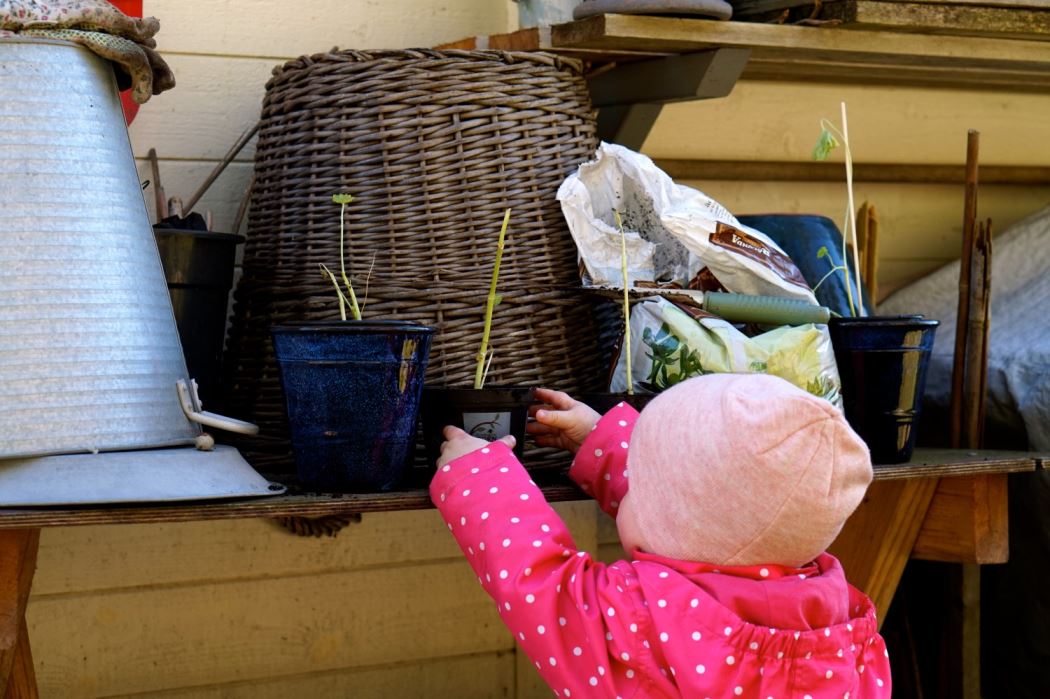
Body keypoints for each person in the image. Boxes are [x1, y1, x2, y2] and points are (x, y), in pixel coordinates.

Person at [431, 373, 891, 697]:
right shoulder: (846, 635)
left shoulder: (646, 628)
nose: (637, 488)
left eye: (642, 481)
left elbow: (543, 583)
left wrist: (477, 475)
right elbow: (705, 511)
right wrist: (601, 438)